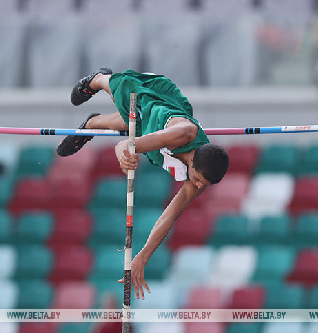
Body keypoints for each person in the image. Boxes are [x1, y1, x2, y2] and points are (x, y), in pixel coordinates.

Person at [58, 68, 229, 300]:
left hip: (149, 126)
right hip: (153, 102)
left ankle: (92, 124)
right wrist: (125, 155)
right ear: (192, 160)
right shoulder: (183, 134)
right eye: (198, 179)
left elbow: (168, 217)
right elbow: (125, 146)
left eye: (203, 184)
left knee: (133, 123)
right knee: (128, 101)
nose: (198, 187)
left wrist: (142, 257)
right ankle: (98, 79)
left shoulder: (199, 177)